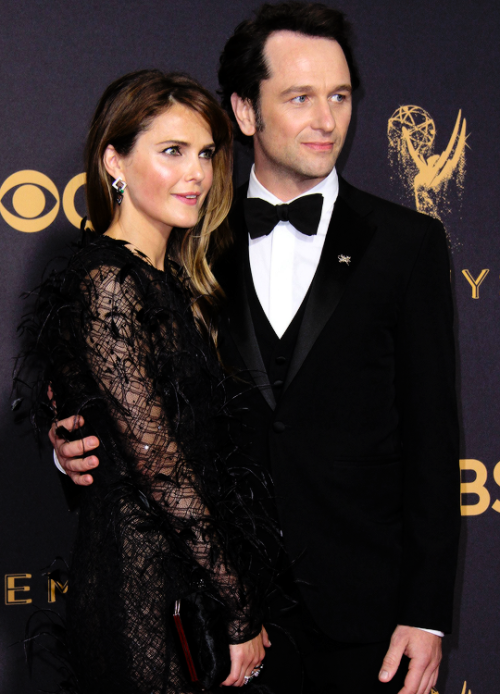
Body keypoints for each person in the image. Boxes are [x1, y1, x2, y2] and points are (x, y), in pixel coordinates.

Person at [51, 4, 461, 693]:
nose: (326, 120)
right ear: (244, 111)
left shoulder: (408, 244)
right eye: (299, 98)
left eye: (339, 96)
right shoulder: (183, 238)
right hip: (221, 616)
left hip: (367, 614)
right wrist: (72, 448)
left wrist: (428, 614)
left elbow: (433, 441)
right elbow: (139, 401)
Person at [26, 69, 274, 693]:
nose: (196, 174)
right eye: (172, 151)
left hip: (184, 582)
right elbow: (157, 461)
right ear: (114, 160)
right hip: (139, 591)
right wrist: (239, 603)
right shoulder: (109, 282)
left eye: (206, 154)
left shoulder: (176, 283)